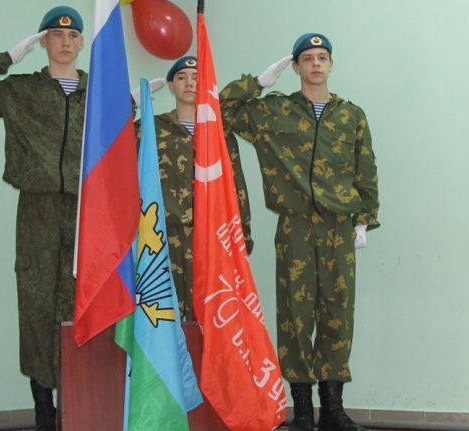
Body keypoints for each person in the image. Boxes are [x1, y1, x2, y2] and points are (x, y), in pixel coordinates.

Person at [220, 33, 380, 431]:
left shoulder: (351, 115)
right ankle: (303, 410)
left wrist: (364, 218)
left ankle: (334, 409)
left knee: (337, 314)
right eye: (307, 58)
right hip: (294, 226)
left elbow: (366, 169)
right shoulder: (274, 111)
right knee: (294, 316)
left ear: (331, 64)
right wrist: (257, 83)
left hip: (338, 227)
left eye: (322, 57)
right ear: (295, 67)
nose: (316, 64)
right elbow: (221, 109)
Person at [0, 6, 85, 430]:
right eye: (55, 35)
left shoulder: (99, 93)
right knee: (37, 302)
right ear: (43, 42)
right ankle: (44, 407)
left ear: (81, 42)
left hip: (85, 209)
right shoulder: (21, 90)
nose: (65, 42)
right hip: (37, 208)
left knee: (81, 303)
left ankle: (79, 401)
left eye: (72, 35)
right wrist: (5, 58)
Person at [134, 56, 254, 320]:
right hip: (165, 237)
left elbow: (236, 186)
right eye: (181, 77)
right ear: (170, 85)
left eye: (197, 77)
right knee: (166, 317)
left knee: (211, 317)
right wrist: (130, 103)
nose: (190, 83)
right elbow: (111, 144)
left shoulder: (220, 132)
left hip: (213, 236)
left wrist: (242, 236)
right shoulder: (150, 128)